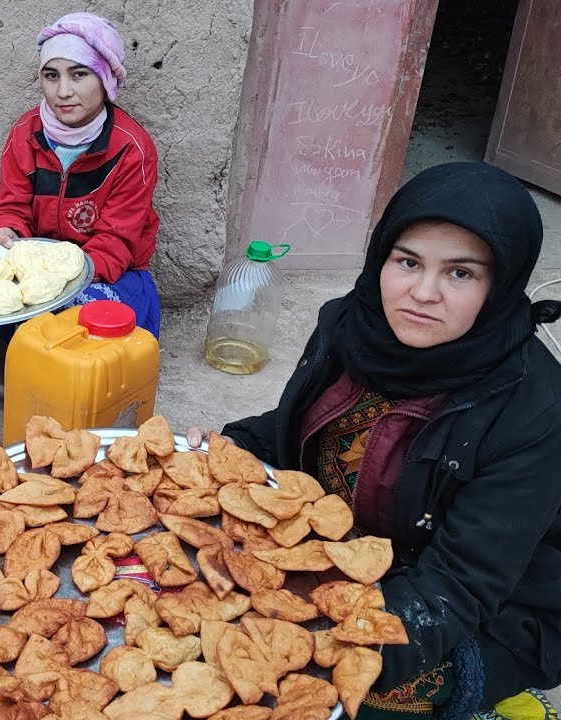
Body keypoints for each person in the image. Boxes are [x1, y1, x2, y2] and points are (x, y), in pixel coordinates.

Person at [189, 163, 561, 718]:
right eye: (407, 261)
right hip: (345, 557)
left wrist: (317, 646)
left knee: (306, 693)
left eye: (461, 274)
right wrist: (222, 449)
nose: (423, 292)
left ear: (501, 285)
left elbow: (461, 584)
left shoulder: (532, 410)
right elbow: (294, 427)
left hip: (482, 607)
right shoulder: (353, 327)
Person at [0, 12, 161, 337]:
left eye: (79, 74)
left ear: (106, 78)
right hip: (38, 267)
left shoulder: (131, 149)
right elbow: (11, 207)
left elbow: (116, 241)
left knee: (84, 321)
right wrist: (6, 231)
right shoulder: (26, 133)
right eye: (51, 76)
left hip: (107, 272)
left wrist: (59, 278)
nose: (63, 91)